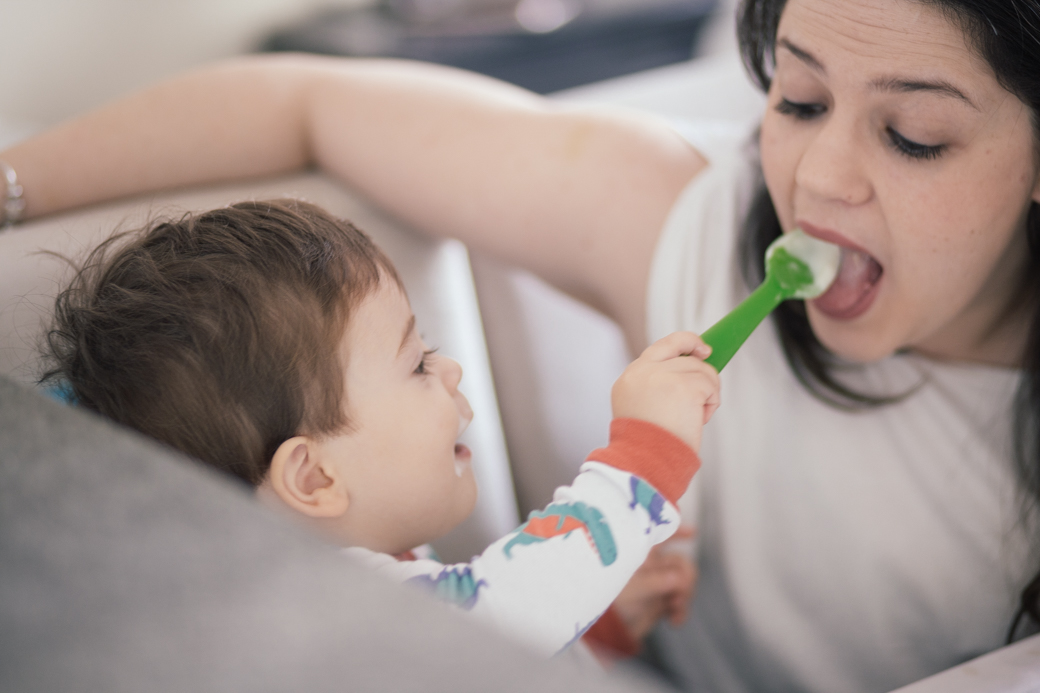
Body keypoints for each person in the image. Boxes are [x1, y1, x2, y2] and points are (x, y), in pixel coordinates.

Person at [3, 0, 1040, 689]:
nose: (815, 181)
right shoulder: (674, 219)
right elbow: (305, 100)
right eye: (794, 98)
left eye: (912, 135)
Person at [37, 198, 720, 661]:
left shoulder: (367, 576)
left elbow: (494, 639)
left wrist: (593, 624)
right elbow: (503, 613)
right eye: (418, 362)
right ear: (314, 476)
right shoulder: (321, 614)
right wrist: (641, 456)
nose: (449, 367)